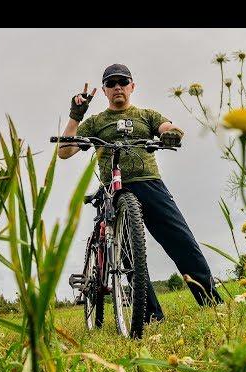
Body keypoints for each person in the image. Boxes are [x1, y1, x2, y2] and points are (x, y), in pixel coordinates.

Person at [58, 63, 223, 324]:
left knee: (182, 241)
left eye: (123, 82)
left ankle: (211, 302)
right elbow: (64, 152)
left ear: (132, 86)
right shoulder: (96, 122)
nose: (117, 87)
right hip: (113, 190)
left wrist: (172, 134)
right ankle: (150, 316)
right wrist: (75, 116)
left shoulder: (146, 115)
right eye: (111, 84)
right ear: (104, 91)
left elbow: (168, 128)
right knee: (129, 256)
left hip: (149, 183)